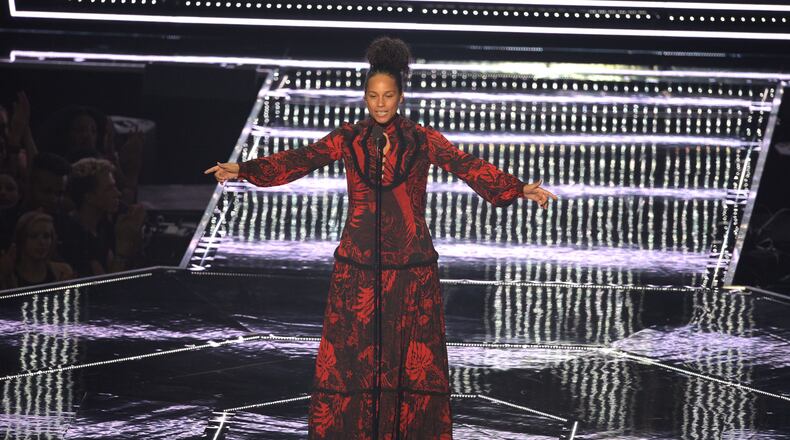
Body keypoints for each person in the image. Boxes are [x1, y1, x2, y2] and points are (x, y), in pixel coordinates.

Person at [205, 37, 557, 439]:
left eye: (388, 96)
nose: (381, 103)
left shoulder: (423, 139)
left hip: (410, 268)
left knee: (409, 360)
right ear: (364, 98)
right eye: (373, 96)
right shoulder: (350, 138)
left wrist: (517, 188)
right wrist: (245, 170)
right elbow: (301, 159)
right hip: (359, 268)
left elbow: (467, 165)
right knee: (356, 360)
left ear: (400, 97)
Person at [59, 157, 145, 276]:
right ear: (89, 197)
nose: (118, 193)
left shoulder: (103, 225)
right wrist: (122, 248)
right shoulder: (74, 235)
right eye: (109, 189)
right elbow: (105, 288)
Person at [0, 211, 73, 289]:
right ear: (21, 240)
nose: (42, 242)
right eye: (33, 236)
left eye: (46, 236)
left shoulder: (62, 272)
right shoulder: (8, 273)